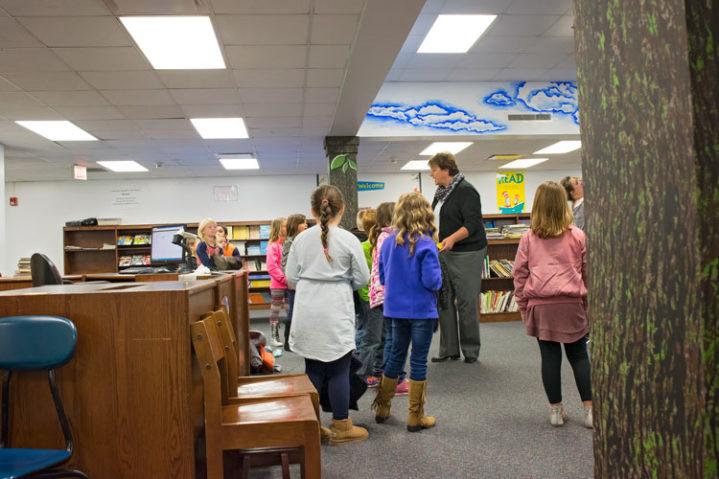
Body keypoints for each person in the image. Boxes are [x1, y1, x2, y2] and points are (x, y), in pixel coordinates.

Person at [286, 185, 370, 444]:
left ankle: (312, 426)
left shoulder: (300, 239)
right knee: (339, 369)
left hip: (308, 308)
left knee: (312, 368)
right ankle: (341, 426)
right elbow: (363, 278)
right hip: (336, 308)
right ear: (342, 210)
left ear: (313, 210)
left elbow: (290, 279)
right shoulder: (349, 240)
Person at [513, 181, 592, 428]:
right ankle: (590, 412)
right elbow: (587, 272)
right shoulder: (578, 235)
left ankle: (555, 412)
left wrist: (523, 306)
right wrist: (587, 304)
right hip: (571, 303)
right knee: (579, 356)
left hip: (541, 305)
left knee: (549, 358)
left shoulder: (528, 238)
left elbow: (520, 274)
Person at [372, 193, 442, 432]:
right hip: (421, 310)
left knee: (395, 355)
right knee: (418, 360)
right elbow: (432, 281)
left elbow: (382, 276)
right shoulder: (425, 242)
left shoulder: (389, 241)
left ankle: (382, 408)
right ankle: (415, 416)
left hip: (394, 309)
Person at [428, 152, 487, 363]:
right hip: (444, 251)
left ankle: (470, 350)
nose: (431, 174)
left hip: (467, 252)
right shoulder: (440, 193)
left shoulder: (467, 191)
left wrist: (452, 238)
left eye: (433, 170)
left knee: (466, 301)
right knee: (444, 300)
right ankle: (448, 350)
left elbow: (472, 224)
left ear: (445, 169)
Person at [366, 202, 408, 394]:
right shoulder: (390, 238)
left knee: (386, 337)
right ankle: (394, 377)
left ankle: (382, 373)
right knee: (394, 338)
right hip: (388, 294)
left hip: (380, 293)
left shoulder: (381, 236)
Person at [281, 213, 308, 351]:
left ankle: (298, 341)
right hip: (294, 285)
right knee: (292, 313)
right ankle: (287, 342)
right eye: (303, 222)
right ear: (296, 225)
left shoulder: (302, 240)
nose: (306, 225)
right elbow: (285, 264)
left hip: (302, 284)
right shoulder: (290, 242)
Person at [354, 208, 376, 349]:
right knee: (369, 329)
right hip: (371, 293)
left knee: (362, 324)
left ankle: (356, 354)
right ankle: (359, 355)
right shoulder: (370, 246)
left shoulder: (359, 246)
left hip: (362, 292)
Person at [266, 217, 287, 348]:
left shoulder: (287, 244)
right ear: (279, 228)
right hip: (279, 284)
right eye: (285, 226)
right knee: (275, 310)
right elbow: (272, 267)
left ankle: (290, 337)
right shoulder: (273, 246)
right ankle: (274, 337)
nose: (287, 227)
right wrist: (284, 279)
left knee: (290, 310)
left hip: (290, 284)